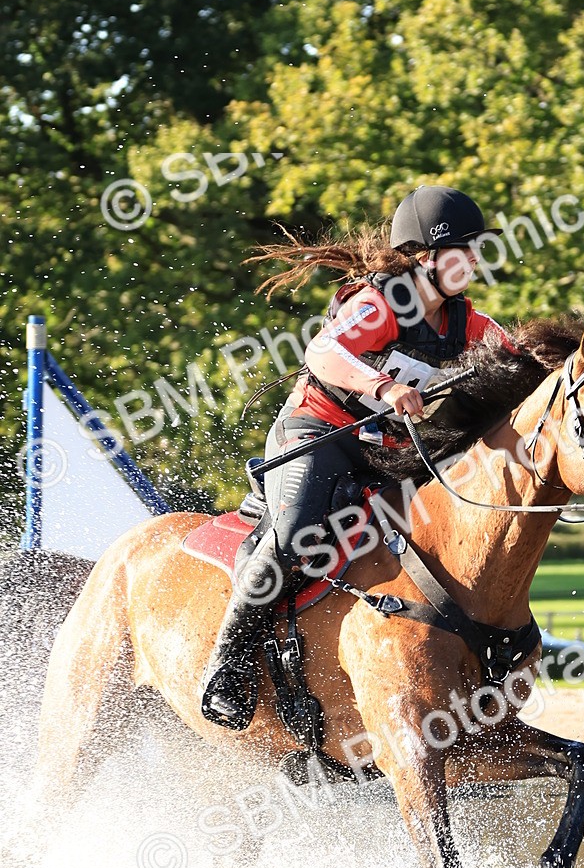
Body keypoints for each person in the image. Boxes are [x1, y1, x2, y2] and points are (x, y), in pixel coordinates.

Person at [201, 185, 510, 728]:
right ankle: (229, 662)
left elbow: (518, 364)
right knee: (296, 536)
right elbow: (322, 352)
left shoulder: (470, 324)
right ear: (426, 258)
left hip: (382, 453)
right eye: (465, 248)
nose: (477, 259)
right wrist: (385, 388)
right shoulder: (380, 303)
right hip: (317, 433)